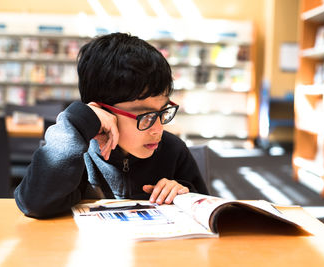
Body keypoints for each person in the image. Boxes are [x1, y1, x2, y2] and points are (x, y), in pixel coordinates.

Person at [14, 32, 209, 218]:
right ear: (103, 112)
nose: (158, 129)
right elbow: (34, 203)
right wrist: (78, 119)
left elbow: (208, 211)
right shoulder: (73, 149)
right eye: (145, 116)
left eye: (162, 112)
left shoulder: (173, 151)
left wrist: (185, 194)